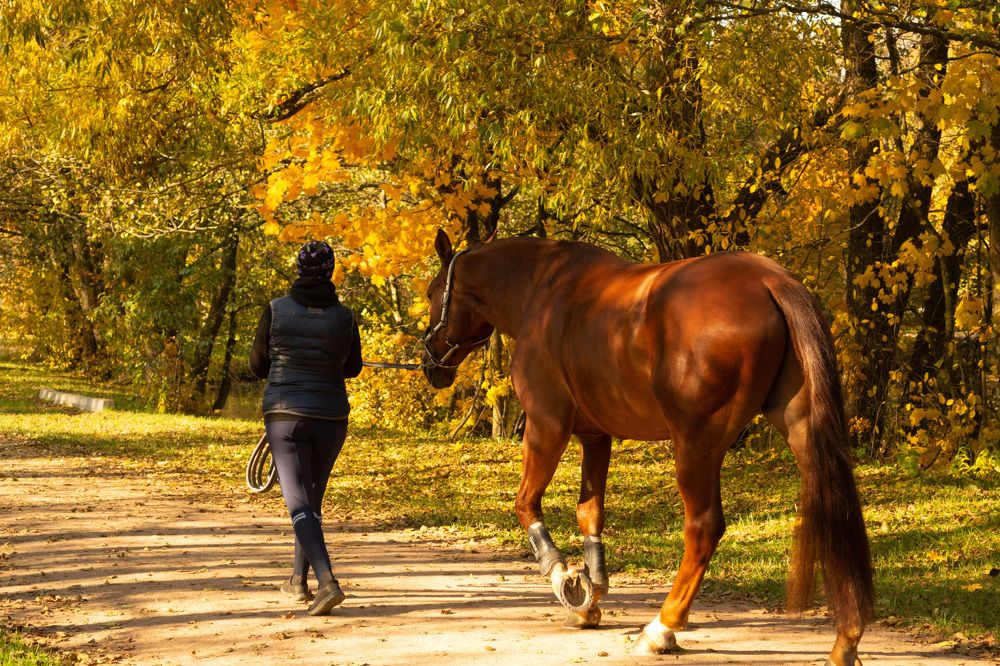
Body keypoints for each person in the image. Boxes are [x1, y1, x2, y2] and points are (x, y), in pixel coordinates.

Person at [249, 239, 363, 615]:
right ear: (331, 272)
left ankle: (327, 583)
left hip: (286, 414)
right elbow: (352, 368)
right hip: (331, 417)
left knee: (298, 502)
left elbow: (257, 365)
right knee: (311, 500)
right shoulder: (345, 317)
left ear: (297, 269)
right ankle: (298, 581)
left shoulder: (275, 310)